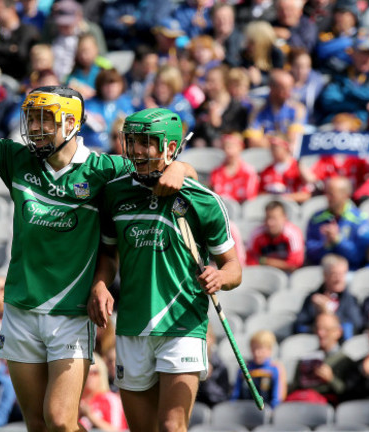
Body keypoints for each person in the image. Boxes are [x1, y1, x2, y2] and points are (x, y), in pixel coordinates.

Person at [0, 33, 193, 432]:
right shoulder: (18, 159)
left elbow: (178, 174)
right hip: (20, 310)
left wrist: (181, 169)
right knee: (37, 425)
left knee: (61, 421)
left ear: (70, 122)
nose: (36, 128)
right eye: (32, 118)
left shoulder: (104, 169)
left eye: (45, 119)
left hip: (69, 314)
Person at [88, 107, 241, 432]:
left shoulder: (203, 201)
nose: (138, 151)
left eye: (148, 142)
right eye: (133, 142)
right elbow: (108, 255)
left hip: (182, 324)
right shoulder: (115, 193)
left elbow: (234, 269)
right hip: (132, 326)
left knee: (172, 426)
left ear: (171, 147)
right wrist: (101, 284)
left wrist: (220, 277)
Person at [305, 176, 369, 270]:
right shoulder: (316, 218)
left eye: (332, 194)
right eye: (326, 193)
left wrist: (338, 241)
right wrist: (325, 245)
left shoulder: (359, 220)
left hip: (350, 272)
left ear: (345, 195)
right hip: (321, 270)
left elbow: (359, 256)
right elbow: (310, 253)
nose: (327, 198)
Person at [288, 313, 355, 405]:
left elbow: (350, 394)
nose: (320, 333)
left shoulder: (345, 361)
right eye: (318, 329)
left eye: (326, 330)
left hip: (328, 407)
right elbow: (295, 387)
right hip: (303, 403)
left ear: (338, 332)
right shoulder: (306, 358)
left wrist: (331, 379)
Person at [294, 254, 363, 341]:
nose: (339, 279)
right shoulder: (312, 299)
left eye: (342, 274)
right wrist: (318, 322)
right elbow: (299, 328)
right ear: (325, 275)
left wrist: (328, 312)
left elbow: (356, 326)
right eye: (334, 274)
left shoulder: (350, 300)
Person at [245, 69, 307, 148]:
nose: (289, 92)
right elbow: (253, 142)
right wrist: (282, 140)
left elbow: (294, 141)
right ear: (272, 89)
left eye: (290, 88)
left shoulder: (298, 109)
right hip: (264, 156)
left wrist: (268, 139)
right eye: (284, 89)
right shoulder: (257, 110)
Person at [247, 200, 305, 273]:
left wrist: (265, 261)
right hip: (263, 275)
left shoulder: (293, 234)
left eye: (274, 218)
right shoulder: (256, 234)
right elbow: (251, 261)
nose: (270, 223)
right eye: (268, 218)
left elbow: (295, 265)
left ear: (284, 217)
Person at [230, 330, 284, 409]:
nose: (256, 353)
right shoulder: (244, 369)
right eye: (254, 349)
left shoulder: (274, 370)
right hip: (244, 411)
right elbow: (235, 395)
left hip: (266, 411)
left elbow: (276, 399)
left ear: (269, 350)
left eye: (261, 349)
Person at [79, 353, 127, 431]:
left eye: (94, 372)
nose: (89, 376)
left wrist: (90, 416)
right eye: (86, 371)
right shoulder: (75, 402)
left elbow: (118, 431)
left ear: (102, 373)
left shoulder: (111, 400)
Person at [208, 133, 259, 203]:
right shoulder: (216, 172)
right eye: (225, 147)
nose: (228, 150)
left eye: (231, 147)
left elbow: (250, 198)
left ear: (240, 147)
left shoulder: (249, 172)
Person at [195, 326, 230, 408]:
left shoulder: (220, 366)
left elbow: (222, 398)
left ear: (212, 339)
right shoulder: (189, 364)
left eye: (204, 337)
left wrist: (207, 380)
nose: (201, 342)